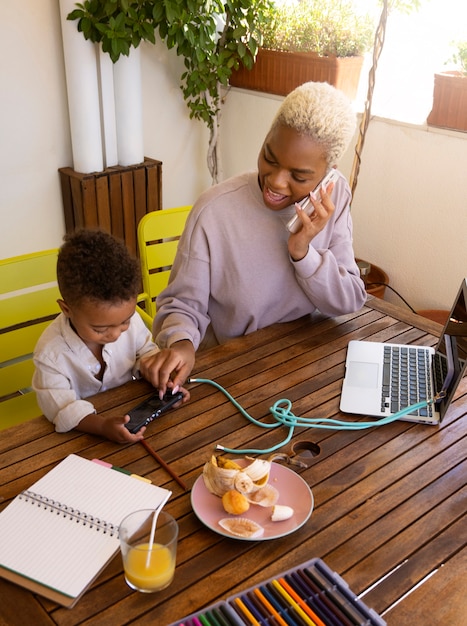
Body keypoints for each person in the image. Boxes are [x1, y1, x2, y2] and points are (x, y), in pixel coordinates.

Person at [142, 81, 366, 393]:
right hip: (229, 376)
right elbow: (181, 303)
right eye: (269, 157)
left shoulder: (334, 194)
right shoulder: (214, 211)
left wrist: (303, 253)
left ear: (328, 172)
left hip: (298, 366)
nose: (275, 182)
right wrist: (181, 345)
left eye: (299, 176)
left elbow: (349, 299)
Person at [32, 229, 189, 444]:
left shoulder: (129, 322)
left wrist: (162, 379)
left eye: (125, 321)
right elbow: (61, 408)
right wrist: (103, 426)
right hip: (80, 439)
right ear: (66, 309)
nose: (116, 333)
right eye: (100, 328)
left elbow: (145, 353)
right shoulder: (50, 355)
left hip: (128, 412)